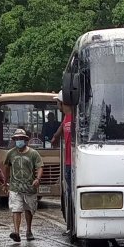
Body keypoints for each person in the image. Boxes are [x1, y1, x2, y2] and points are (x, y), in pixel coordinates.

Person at [4, 128, 43, 242]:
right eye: (17, 139)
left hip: (29, 187)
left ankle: (29, 230)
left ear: (25, 140)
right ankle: (16, 232)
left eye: (21, 139)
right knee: (16, 209)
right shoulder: (10, 153)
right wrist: (5, 182)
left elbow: (40, 166)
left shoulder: (33, 153)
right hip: (15, 187)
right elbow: (6, 167)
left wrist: (37, 179)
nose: (19, 141)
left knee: (29, 209)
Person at [51, 91, 73, 225]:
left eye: (57, 103)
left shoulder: (75, 118)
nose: (57, 105)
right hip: (67, 162)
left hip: (72, 163)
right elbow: (61, 126)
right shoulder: (66, 117)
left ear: (62, 103)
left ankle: (71, 224)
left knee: (70, 194)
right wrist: (55, 136)